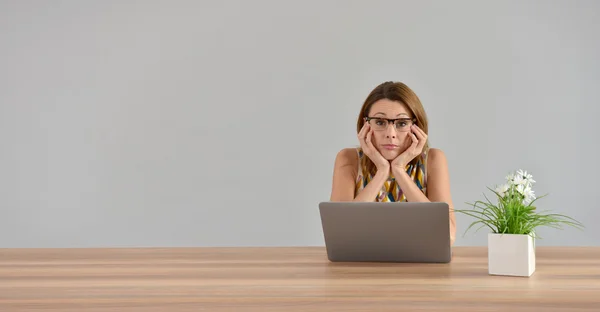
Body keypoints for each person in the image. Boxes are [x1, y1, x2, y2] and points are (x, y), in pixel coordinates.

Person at [329, 81, 456, 245]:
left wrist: (398, 169)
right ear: (366, 125)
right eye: (380, 122)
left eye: (401, 123)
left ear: (416, 126)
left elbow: (448, 235)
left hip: (420, 267)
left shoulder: (433, 159)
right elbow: (339, 234)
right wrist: (382, 171)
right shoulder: (348, 159)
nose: (390, 134)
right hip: (359, 266)